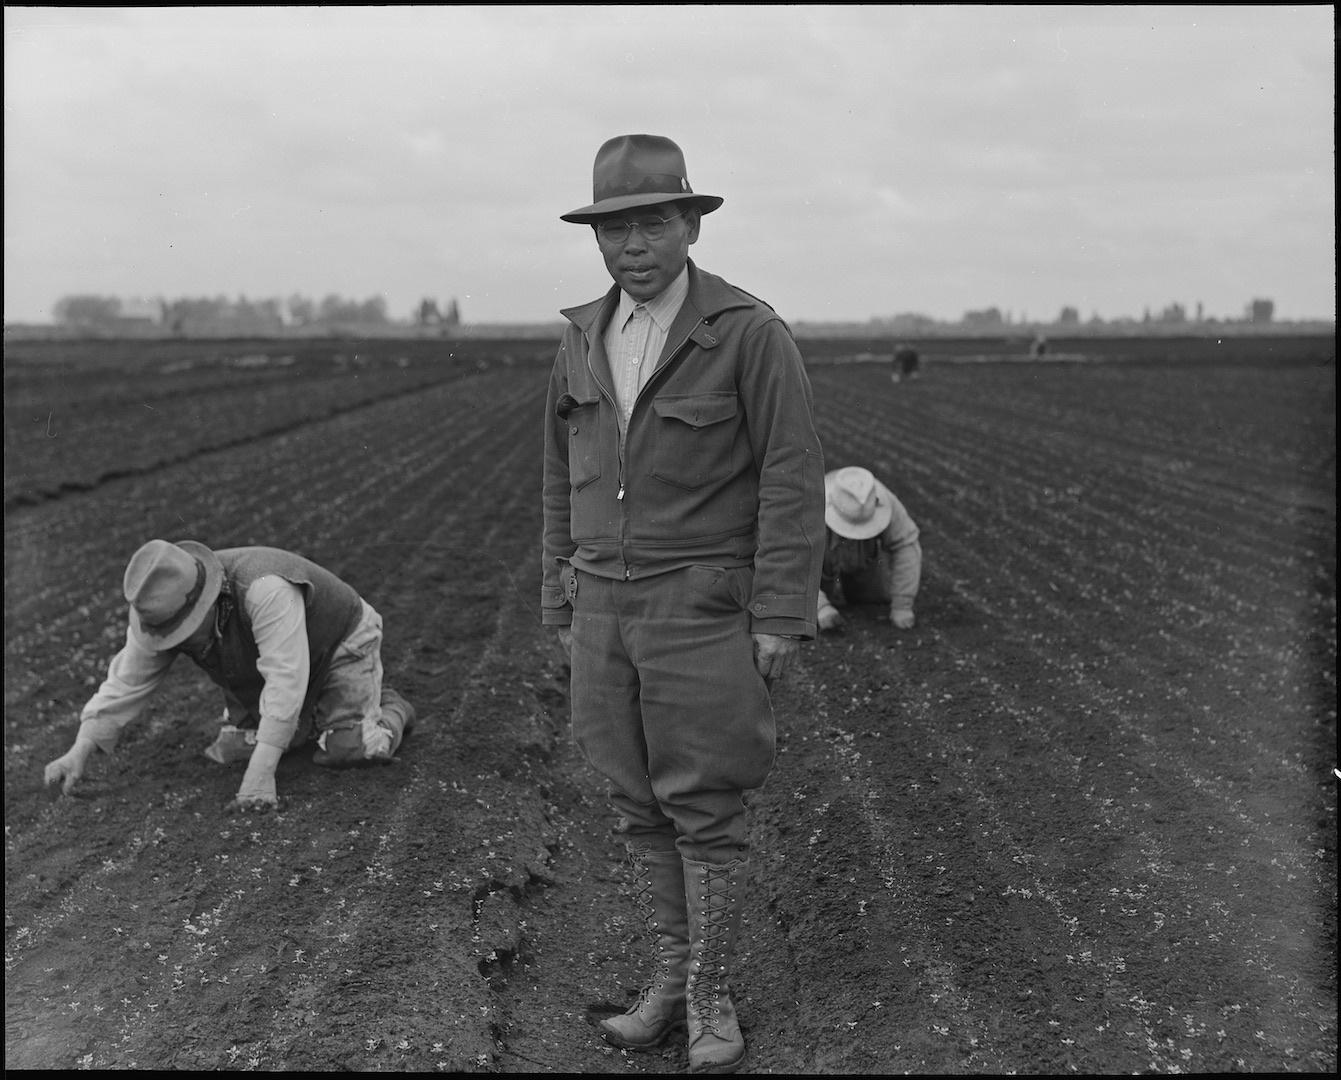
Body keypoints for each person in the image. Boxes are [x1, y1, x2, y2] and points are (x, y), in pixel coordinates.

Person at [541, 133, 825, 1073]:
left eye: (652, 223)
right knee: (634, 803)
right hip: (603, 611)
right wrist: (562, 599)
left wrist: (780, 614)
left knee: (703, 806)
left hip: (701, 608)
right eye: (613, 228)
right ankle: (670, 980)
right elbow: (558, 476)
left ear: (689, 225)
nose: (631, 246)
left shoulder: (747, 333)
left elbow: (790, 478)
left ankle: (709, 996)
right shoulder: (582, 336)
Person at [42, 539, 416, 813]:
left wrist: (260, 780)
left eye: (184, 629)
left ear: (207, 600)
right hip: (259, 664)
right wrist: (79, 751)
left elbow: (286, 678)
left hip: (338, 643)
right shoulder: (157, 606)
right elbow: (127, 681)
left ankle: (389, 706)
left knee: (348, 749)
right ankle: (321, 715)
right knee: (238, 750)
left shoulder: (265, 589)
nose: (178, 640)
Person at [817, 466, 922, 632]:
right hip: (819, 558)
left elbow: (905, 544)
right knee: (809, 613)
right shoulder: (808, 507)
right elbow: (793, 564)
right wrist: (820, 607)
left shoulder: (886, 501)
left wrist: (903, 605)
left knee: (871, 600)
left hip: (862, 556)